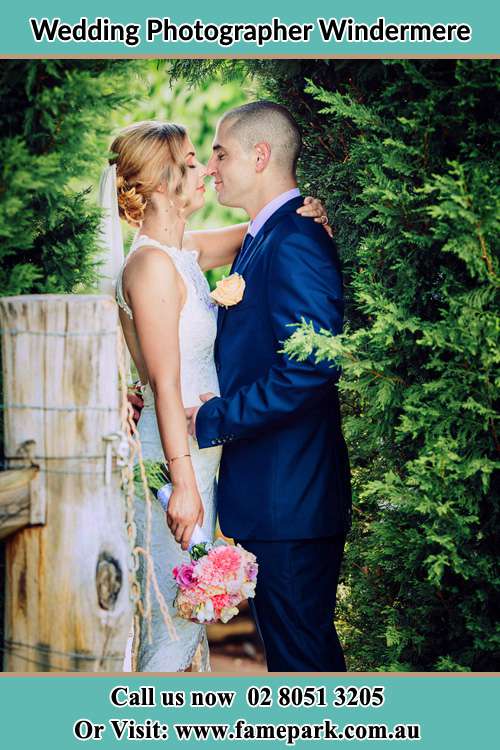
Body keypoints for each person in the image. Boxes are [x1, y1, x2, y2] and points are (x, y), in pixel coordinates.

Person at [99, 119, 330, 671]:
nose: (205, 169)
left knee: (187, 622)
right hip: (178, 461)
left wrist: (314, 212)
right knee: (173, 626)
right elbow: (166, 383)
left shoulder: (182, 252)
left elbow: (263, 237)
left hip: (204, 453)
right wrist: (181, 483)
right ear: (159, 184)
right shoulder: (151, 265)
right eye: (192, 160)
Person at [185, 101, 352, 672]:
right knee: (292, 662)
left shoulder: (296, 240)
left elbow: (309, 368)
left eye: (221, 153)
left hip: (293, 500)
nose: (212, 167)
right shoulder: (265, 235)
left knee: (305, 665)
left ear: (260, 156)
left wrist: (213, 418)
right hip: (277, 500)